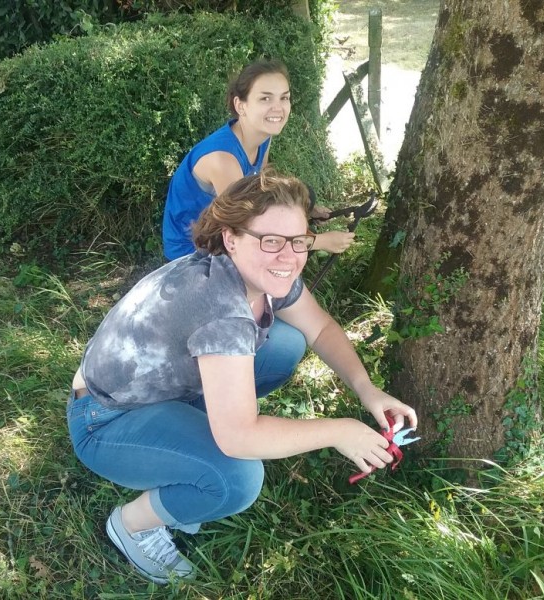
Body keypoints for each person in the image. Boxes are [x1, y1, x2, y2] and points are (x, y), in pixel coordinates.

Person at [68, 170, 417, 585]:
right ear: (231, 238)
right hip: (104, 418)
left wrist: (367, 389)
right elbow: (239, 438)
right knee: (236, 477)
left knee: (285, 344)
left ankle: (190, 441)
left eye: (299, 240)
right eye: (270, 240)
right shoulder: (220, 308)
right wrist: (339, 430)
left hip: (154, 389)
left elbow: (320, 328)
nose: (288, 256)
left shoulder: (259, 273)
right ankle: (132, 524)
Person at [162, 59, 355, 261]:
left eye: (284, 97)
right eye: (265, 99)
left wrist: (303, 211)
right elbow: (248, 230)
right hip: (193, 250)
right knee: (276, 244)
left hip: (227, 225)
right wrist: (319, 241)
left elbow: (262, 186)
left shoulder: (262, 135)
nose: (278, 108)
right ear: (240, 105)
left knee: (304, 197)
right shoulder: (223, 160)